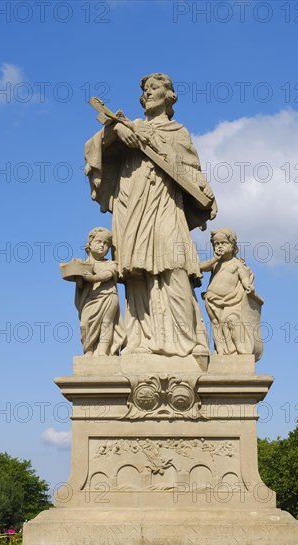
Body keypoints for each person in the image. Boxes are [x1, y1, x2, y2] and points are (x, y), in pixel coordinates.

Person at [84, 73, 217, 357]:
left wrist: (207, 193)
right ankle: (141, 341)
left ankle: (190, 341)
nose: (148, 93)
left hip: (166, 203)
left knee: (175, 265)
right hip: (132, 205)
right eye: (145, 89)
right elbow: (93, 148)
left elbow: (191, 169)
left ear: (169, 95)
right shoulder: (131, 126)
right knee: (137, 270)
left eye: (154, 88)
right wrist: (116, 132)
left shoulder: (178, 131)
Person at [200, 228, 258, 356]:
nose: (219, 246)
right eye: (216, 244)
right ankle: (220, 350)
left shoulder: (237, 264)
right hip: (212, 300)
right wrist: (215, 259)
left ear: (232, 245)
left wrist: (248, 285)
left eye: (223, 243)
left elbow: (244, 277)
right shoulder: (215, 263)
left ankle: (239, 349)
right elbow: (201, 267)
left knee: (232, 321)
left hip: (232, 300)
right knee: (216, 324)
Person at [74, 227, 126, 356]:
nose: (102, 246)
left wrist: (93, 278)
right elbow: (81, 288)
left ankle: (103, 351)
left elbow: (108, 275)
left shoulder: (111, 263)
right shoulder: (83, 265)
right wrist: (78, 280)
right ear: (90, 244)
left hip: (108, 296)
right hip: (90, 299)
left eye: (106, 244)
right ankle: (88, 350)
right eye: (99, 242)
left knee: (106, 323)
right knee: (85, 323)